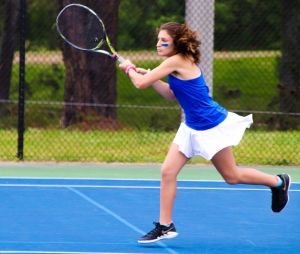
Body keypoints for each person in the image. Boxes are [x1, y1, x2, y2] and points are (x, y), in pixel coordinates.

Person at [119, 22, 291, 244]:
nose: (158, 44)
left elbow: (140, 84)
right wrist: (150, 77)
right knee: (167, 172)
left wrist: (131, 69)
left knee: (232, 177)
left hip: (211, 126)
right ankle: (165, 226)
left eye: (164, 41)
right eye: (158, 40)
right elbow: (171, 94)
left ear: (177, 44)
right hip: (191, 127)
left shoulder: (176, 60)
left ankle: (278, 182)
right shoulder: (175, 62)